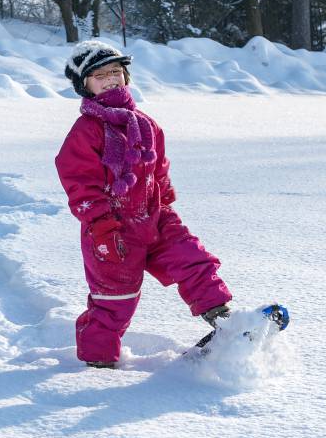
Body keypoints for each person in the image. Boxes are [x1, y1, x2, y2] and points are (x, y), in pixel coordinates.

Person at [55, 40, 232, 368]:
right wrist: (101, 224)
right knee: (115, 302)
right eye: (99, 76)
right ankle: (98, 362)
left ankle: (224, 320)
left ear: (126, 76)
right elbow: (79, 183)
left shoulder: (146, 124)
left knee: (194, 260)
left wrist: (165, 204)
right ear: (85, 86)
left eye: (115, 72)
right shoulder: (87, 131)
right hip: (111, 229)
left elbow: (159, 170)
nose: (110, 79)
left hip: (155, 217)